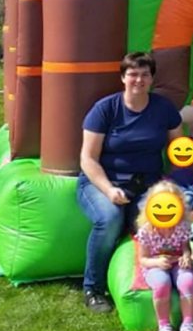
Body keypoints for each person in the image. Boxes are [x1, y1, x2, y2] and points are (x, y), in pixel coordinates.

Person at [77, 52, 183, 313]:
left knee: (163, 219)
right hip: (101, 182)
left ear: (152, 79)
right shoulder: (105, 109)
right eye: (133, 74)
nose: (139, 80)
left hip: (147, 184)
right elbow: (88, 158)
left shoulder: (163, 108)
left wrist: (175, 186)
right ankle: (93, 288)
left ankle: (172, 279)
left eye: (145, 74)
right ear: (123, 77)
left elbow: (178, 149)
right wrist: (109, 190)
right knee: (109, 218)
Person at [135, 180, 193, 331]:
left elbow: (185, 248)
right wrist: (157, 262)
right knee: (162, 283)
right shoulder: (146, 231)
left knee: (187, 281)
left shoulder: (182, 227)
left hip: (176, 262)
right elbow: (143, 259)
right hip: (155, 264)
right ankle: (164, 326)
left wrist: (186, 256)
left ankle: (188, 325)